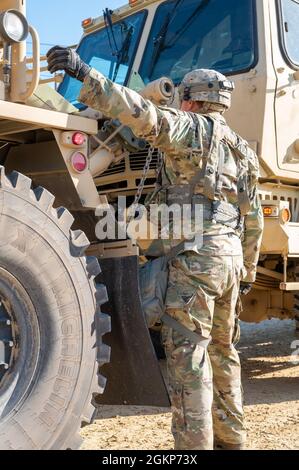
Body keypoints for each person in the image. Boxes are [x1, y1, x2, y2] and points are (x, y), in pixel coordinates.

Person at [47, 46, 264, 451]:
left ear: (193, 99)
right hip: (230, 259)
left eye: (184, 97)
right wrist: (247, 273)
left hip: (196, 258)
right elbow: (255, 221)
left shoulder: (192, 129)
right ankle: (232, 441)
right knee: (222, 351)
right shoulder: (243, 150)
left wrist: (84, 75)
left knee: (189, 358)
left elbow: (141, 113)